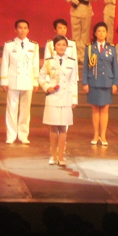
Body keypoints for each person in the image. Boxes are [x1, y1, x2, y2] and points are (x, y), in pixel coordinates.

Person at [39, 35, 78, 165]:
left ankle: (61, 157)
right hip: (53, 97)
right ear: (54, 47)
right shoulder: (49, 61)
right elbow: (40, 77)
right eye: (58, 45)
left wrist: (74, 99)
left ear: (67, 47)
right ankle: (54, 156)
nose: (61, 47)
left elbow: (73, 81)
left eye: (63, 45)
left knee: (63, 128)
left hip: (66, 97)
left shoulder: (72, 61)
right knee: (53, 128)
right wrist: (47, 87)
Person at [1, 20, 39, 144]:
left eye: (25, 28)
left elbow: (35, 65)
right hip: (13, 80)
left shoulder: (34, 45)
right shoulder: (9, 45)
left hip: (27, 80)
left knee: (25, 110)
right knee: (11, 109)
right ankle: (11, 135)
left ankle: (23, 135)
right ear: (15, 29)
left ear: (28, 30)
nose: (22, 30)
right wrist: (4, 81)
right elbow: (5, 63)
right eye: (20, 28)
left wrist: (35, 81)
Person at [82, 22, 118, 146]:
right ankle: (95, 134)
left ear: (107, 33)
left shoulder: (111, 48)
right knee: (94, 110)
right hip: (93, 81)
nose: (101, 33)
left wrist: (115, 83)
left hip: (107, 82)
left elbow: (115, 67)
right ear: (95, 33)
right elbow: (85, 67)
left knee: (104, 110)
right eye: (99, 31)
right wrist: (85, 82)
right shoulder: (89, 48)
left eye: (104, 31)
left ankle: (103, 135)